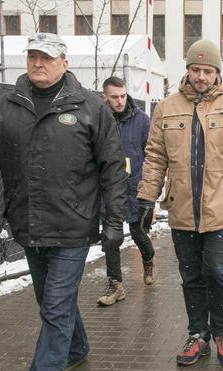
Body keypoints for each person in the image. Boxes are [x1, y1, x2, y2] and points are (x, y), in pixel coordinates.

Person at [0, 33, 127, 371]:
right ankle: (77, 348)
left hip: (73, 226)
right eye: (32, 56)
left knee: (55, 308)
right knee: (51, 303)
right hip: (28, 224)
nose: (37, 63)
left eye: (45, 57)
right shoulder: (6, 107)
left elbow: (113, 167)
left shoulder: (90, 107)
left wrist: (115, 219)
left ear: (64, 62)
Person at [136, 39, 223, 367]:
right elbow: (155, 156)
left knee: (218, 272)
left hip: (222, 208)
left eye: (208, 71)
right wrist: (146, 198)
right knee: (191, 275)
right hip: (181, 207)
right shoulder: (166, 107)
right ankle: (198, 334)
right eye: (196, 69)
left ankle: (221, 331)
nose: (201, 76)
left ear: (217, 73)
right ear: (188, 69)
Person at [97, 76, 155, 306]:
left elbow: (152, 155)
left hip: (135, 188)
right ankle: (116, 285)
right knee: (111, 238)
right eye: (114, 97)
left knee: (138, 231)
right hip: (109, 189)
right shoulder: (98, 120)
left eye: (122, 96)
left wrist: (149, 185)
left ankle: (148, 258)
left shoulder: (142, 121)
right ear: (105, 97)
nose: (120, 101)